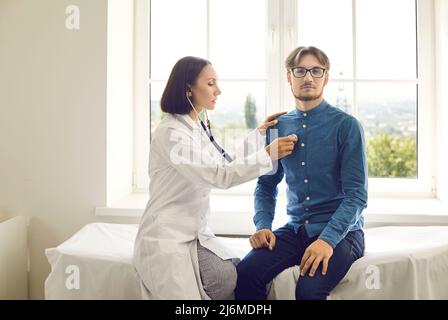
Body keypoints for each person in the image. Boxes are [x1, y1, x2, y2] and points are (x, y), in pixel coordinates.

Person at [133, 56, 298, 300]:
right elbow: (219, 175)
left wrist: (259, 134)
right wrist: (267, 153)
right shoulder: (172, 134)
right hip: (166, 237)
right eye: (211, 83)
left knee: (228, 275)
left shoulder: (195, 126)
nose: (218, 90)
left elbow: (223, 161)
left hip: (192, 232)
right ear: (188, 88)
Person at [235, 46, 368, 300]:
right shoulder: (278, 128)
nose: (308, 77)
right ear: (289, 76)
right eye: (300, 70)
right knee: (245, 273)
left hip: (343, 233)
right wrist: (263, 226)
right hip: (297, 230)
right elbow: (265, 186)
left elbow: (357, 197)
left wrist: (327, 241)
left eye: (316, 71)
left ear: (325, 77)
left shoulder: (347, 126)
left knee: (308, 291)